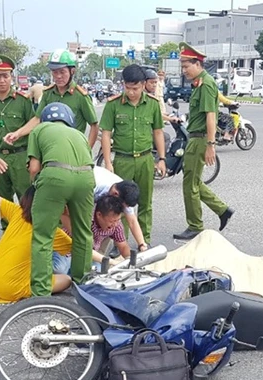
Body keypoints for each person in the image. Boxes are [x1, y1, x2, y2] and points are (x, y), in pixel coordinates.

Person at [27, 102, 95, 296]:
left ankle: (41, 292)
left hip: (55, 176)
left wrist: (37, 187)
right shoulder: (80, 135)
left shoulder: (39, 129)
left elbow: (34, 168)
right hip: (86, 178)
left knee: (43, 236)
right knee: (83, 232)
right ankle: (83, 284)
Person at [0, 185, 73, 303]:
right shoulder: (51, 230)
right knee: (66, 279)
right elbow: (81, 249)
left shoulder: (16, 212)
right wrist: (65, 215)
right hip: (9, 287)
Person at [173, 42, 234, 241]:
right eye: (182, 67)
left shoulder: (206, 84)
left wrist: (210, 145)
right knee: (194, 182)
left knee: (189, 184)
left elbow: (211, 116)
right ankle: (222, 210)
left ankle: (195, 226)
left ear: (197, 64)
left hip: (200, 140)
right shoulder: (200, 83)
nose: (184, 71)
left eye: (186, 66)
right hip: (195, 138)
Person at [99, 64, 164, 246]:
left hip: (145, 159)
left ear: (143, 85)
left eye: (135, 88)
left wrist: (162, 159)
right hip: (122, 159)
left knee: (145, 201)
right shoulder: (113, 105)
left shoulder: (152, 104)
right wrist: (108, 162)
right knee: (119, 203)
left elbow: (157, 132)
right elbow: (106, 133)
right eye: (127, 88)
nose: (131, 92)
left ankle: (145, 241)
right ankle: (121, 242)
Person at [3, 49, 99, 149]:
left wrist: (86, 150)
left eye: (62, 72)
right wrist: (17, 134)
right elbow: (37, 119)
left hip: (73, 149)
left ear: (72, 71)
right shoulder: (48, 94)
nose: (58, 76)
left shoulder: (80, 96)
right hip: (50, 148)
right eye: (54, 72)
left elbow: (94, 125)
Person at [0, 54, 35, 229]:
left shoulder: (23, 101)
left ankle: (28, 234)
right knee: (3, 202)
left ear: (12, 77)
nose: (2, 81)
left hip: (19, 156)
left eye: (5, 76)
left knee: (26, 199)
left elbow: (34, 126)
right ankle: (7, 233)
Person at [91, 194, 131, 261]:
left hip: (96, 252)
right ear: (99, 215)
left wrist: (130, 261)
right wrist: (113, 263)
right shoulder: (86, 220)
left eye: (117, 220)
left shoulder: (116, 224)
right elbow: (85, 249)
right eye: (112, 221)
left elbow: (123, 246)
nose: (115, 224)